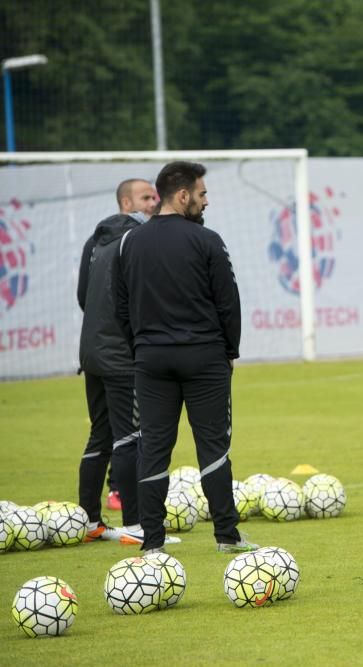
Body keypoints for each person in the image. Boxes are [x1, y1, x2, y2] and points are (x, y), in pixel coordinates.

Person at [115, 161, 254, 555]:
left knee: (153, 447)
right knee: (213, 446)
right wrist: (230, 351)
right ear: (182, 195)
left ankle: (153, 543)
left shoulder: (130, 241)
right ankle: (227, 536)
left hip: (150, 360)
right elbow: (228, 302)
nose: (205, 201)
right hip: (204, 357)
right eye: (202, 193)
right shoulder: (207, 240)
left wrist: (140, 347)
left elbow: (120, 308)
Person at [77, 179, 158, 543]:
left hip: (92, 353)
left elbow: (83, 296)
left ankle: (90, 521)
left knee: (101, 434)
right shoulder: (136, 240)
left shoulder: (94, 241)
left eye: (156, 196)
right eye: (146, 197)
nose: (154, 202)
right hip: (122, 356)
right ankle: (137, 525)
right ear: (127, 203)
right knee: (131, 438)